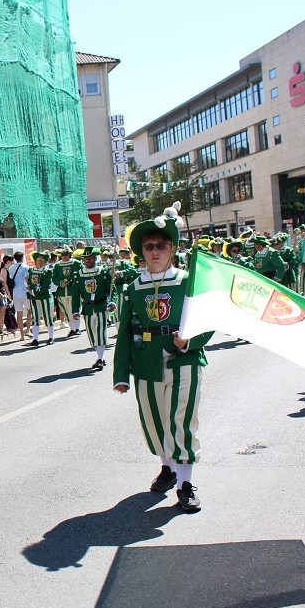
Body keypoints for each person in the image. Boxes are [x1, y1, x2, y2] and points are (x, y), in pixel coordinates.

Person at [113, 206, 213, 513]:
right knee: (155, 423)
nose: (155, 251)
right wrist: (120, 374)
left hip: (185, 359)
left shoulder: (188, 282)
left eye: (161, 246)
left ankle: (185, 485)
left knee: (181, 421)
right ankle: (168, 468)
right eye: (149, 247)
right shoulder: (132, 288)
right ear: (141, 252)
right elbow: (125, 331)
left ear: (172, 249)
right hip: (145, 363)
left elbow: (208, 321)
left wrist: (190, 340)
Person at [72, 246, 115, 370]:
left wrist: (112, 302)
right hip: (87, 308)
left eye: (90, 258)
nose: (88, 260)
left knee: (101, 331)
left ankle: (100, 359)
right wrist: (76, 310)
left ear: (95, 258)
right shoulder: (79, 275)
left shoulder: (104, 272)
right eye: (86, 258)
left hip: (101, 306)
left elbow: (112, 290)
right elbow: (76, 295)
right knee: (92, 334)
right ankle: (100, 356)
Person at [25, 250, 54, 347]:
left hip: (44, 297)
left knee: (48, 317)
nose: (40, 262)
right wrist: (29, 286)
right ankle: (35, 339)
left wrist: (33, 291)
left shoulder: (47, 271)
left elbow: (46, 286)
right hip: (34, 298)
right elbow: (30, 282)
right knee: (35, 318)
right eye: (38, 260)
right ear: (35, 261)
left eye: (42, 260)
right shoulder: (31, 270)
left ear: (45, 261)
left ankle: (51, 337)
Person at [7, 251, 29, 340]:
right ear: (22, 257)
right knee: (30, 310)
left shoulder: (11, 268)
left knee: (19, 313)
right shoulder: (26, 267)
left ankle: (22, 335)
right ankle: (27, 329)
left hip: (15, 292)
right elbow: (27, 279)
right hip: (25, 291)